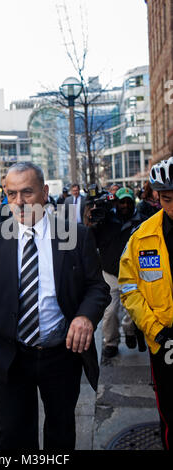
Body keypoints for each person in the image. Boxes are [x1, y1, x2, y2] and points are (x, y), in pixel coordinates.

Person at [0, 161, 110, 450]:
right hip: (11, 356)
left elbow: (98, 287)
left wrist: (84, 317)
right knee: (13, 434)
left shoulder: (76, 236)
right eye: (12, 194)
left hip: (62, 356)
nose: (19, 202)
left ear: (44, 193)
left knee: (61, 431)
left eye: (27, 193)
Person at [119, 157, 173, 450]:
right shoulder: (142, 236)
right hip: (164, 340)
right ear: (155, 196)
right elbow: (128, 286)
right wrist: (155, 330)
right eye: (166, 199)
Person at [86, 186, 147, 358]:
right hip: (110, 273)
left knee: (133, 310)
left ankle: (130, 331)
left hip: (134, 274)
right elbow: (91, 239)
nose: (125, 205)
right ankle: (111, 342)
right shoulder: (106, 220)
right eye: (122, 202)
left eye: (128, 202)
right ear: (116, 203)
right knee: (110, 311)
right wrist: (92, 222)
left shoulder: (142, 222)